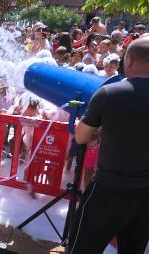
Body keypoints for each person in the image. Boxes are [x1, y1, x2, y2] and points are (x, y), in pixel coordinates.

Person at [71, 37, 149, 254]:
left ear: (130, 60)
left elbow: (81, 136)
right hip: (145, 192)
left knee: (83, 247)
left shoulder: (110, 93)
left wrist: (101, 130)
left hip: (110, 187)